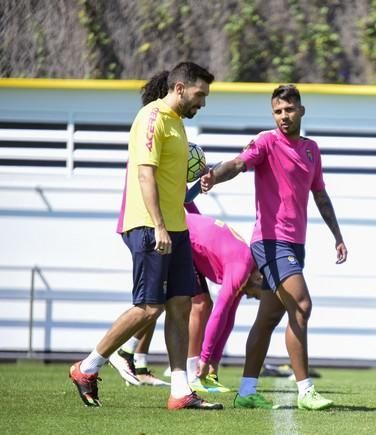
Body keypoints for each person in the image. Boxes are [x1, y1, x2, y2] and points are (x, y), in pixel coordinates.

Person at [68, 62, 223, 410]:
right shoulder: (151, 119)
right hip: (150, 227)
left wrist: (200, 182)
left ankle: (180, 391)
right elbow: (145, 175)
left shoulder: (178, 125)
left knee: (181, 305)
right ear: (180, 88)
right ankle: (87, 366)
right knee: (149, 307)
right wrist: (157, 225)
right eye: (200, 95)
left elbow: (174, 183)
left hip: (177, 227)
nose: (203, 102)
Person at [200, 84, 348, 410]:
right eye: (278, 111)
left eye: (289, 110)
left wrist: (337, 235)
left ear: (301, 111)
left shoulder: (311, 150)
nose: (283, 116)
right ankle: (306, 390)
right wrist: (214, 174)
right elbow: (238, 164)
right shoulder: (266, 141)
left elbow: (319, 194)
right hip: (270, 242)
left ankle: (247, 390)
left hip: (295, 246)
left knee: (267, 319)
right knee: (303, 305)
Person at [109, 204, 265, 394]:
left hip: (187, 240)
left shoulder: (247, 272)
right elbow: (220, 313)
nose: (250, 296)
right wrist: (205, 359)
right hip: (178, 238)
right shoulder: (241, 269)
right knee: (193, 305)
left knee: (175, 302)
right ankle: (191, 372)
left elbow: (228, 318)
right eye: (256, 295)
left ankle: (132, 354)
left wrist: (213, 363)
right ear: (259, 278)